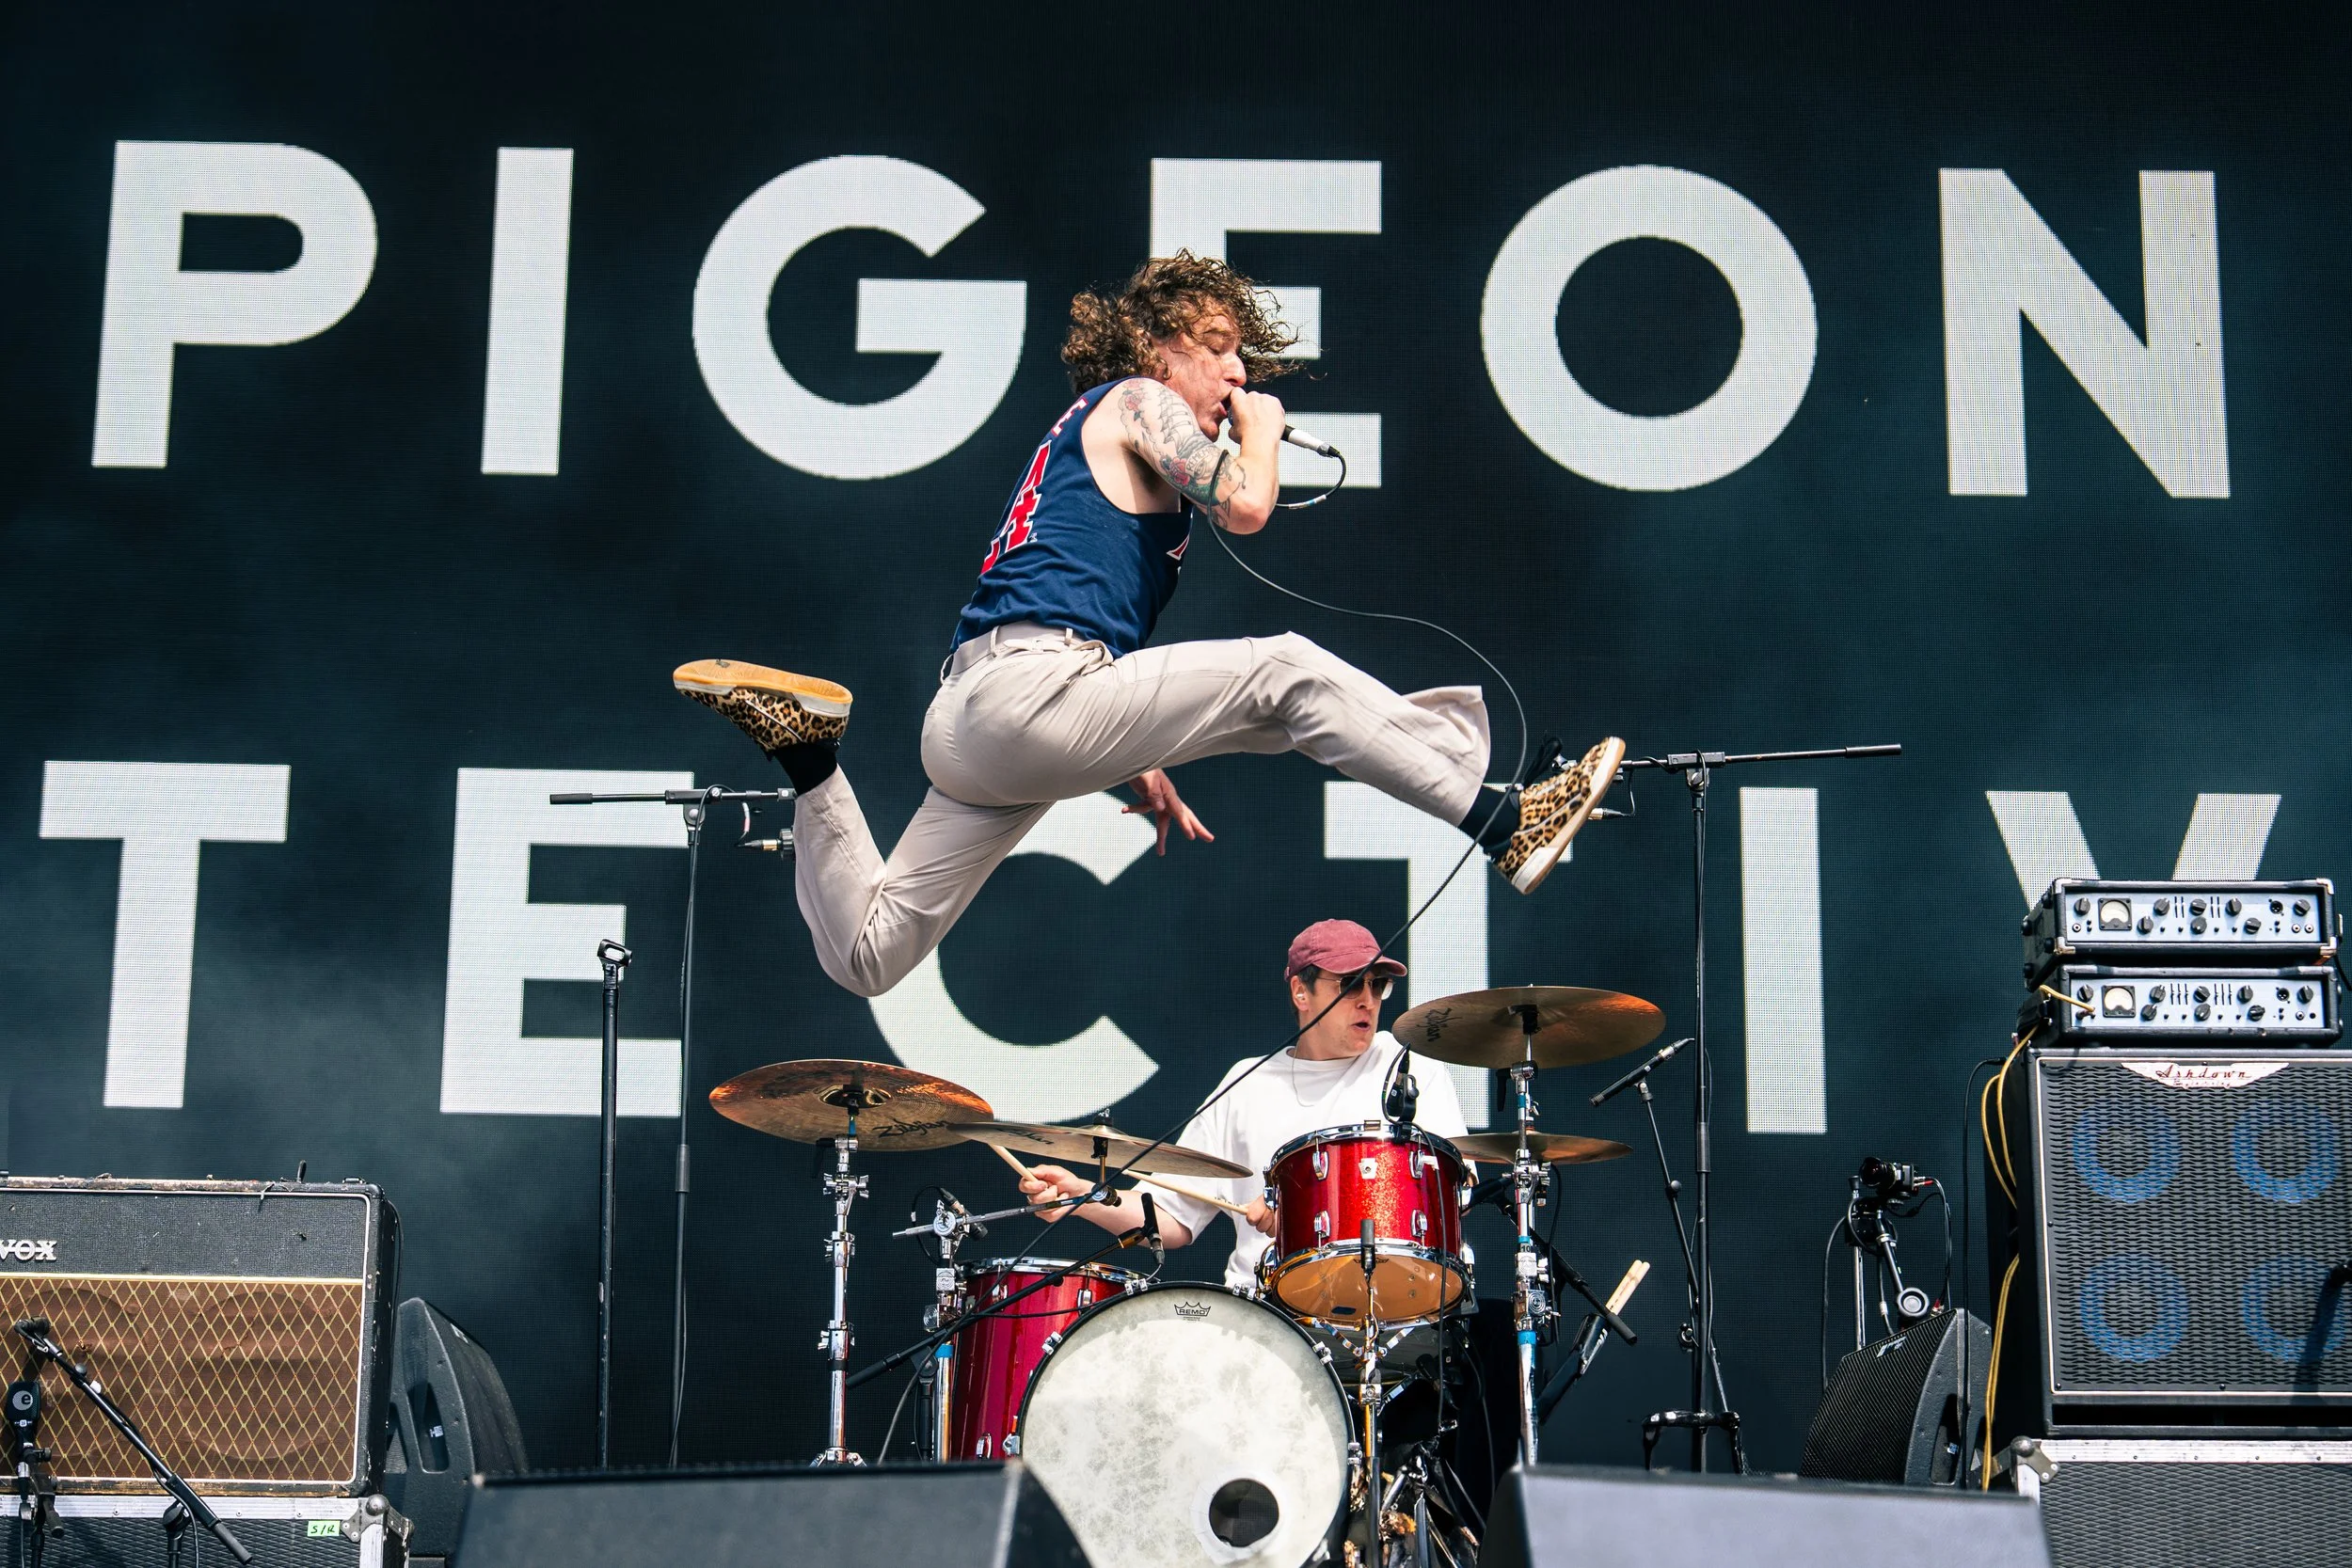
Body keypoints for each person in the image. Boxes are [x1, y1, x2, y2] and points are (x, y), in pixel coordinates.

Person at [675, 252, 1622, 998]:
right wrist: (1258, 426)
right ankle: (1505, 816)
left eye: (1241, 355)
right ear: (1156, 346)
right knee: (1286, 670)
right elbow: (1245, 506)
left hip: (975, 717)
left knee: (870, 956)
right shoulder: (1140, 399)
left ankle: (809, 760)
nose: (1236, 369)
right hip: (1031, 694)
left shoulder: (1090, 432)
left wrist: (1136, 759)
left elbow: (1062, 595)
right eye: (1216, 346)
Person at [1015, 918, 1470, 1291]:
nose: (1368, 1000)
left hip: (1400, 1307)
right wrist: (1083, 1196)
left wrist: (1304, 1214)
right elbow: (1172, 1217)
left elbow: (1456, 1191)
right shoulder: (1247, 1082)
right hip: (1271, 1320)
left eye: (1378, 984)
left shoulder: (1411, 1068)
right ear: (1301, 992)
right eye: (1350, 984)